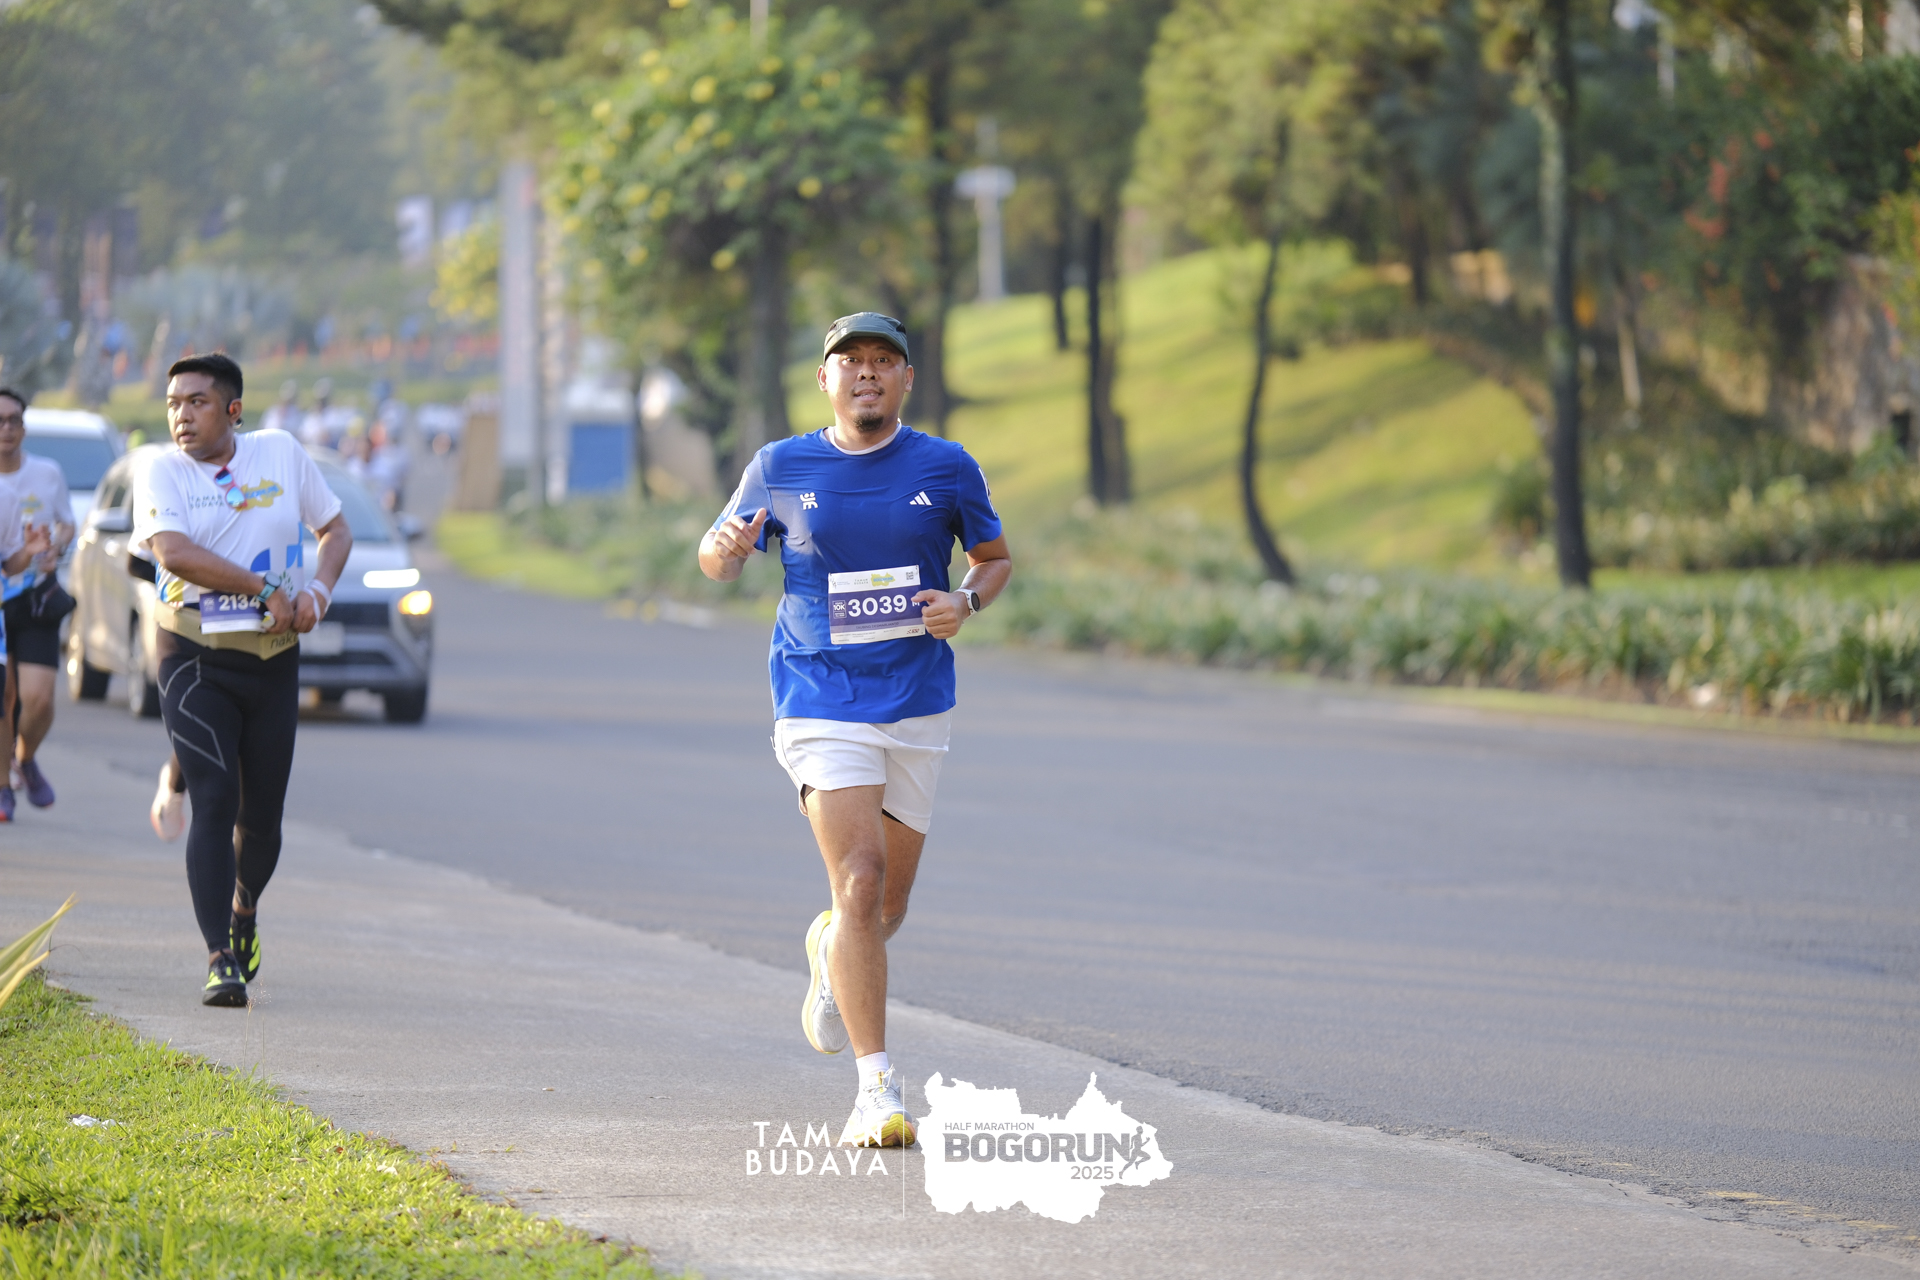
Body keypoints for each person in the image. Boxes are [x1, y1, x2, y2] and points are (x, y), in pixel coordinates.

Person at [698, 313, 1012, 1148]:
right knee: (861, 881)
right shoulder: (780, 465)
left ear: (906, 378)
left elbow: (994, 559)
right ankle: (877, 1090)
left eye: (883, 360)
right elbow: (717, 557)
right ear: (826, 380)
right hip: (819, 693)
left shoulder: (948, 467)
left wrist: (965, 601)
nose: (866, 372)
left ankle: (833, 950)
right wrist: (724, 548)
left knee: (883, 907)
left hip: (917, 699)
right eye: (850, 361)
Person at [132, 354, 352, 1007]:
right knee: (217, 796)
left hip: (273, 659)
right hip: (192, 653)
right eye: (173, 404)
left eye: (196, 402)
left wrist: (318, 591)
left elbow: (335, 529)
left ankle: (244, 912)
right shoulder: (162, 470)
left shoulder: (280, 453)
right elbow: (172, 552)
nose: (181, 416)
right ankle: (218, 958)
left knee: (261, 822)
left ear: (233, 410)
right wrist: (262, 588)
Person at [0, 387, 73, 815]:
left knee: (39, 699)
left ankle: (24, 759)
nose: (6, 429)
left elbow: (67, 523)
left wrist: (53, 547)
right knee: (5, 696)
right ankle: (3, 784)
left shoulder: (46, 473)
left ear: (24, 428)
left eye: (14, 420)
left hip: (35, 598)